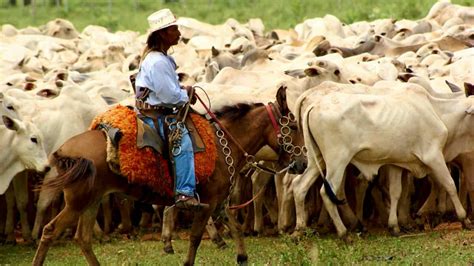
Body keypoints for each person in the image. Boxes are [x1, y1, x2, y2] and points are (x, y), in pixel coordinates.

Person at [134, 8, 207, 210]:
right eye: (174, 29)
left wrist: (181, 90)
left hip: (153, 109)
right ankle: (185, 193)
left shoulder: (158, 58)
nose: (179, 32)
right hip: (156, 116)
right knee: (182, 142)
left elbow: (165, 90)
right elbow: (169, 97)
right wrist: (185, 96)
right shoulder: (158, 61)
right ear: (163, 34)